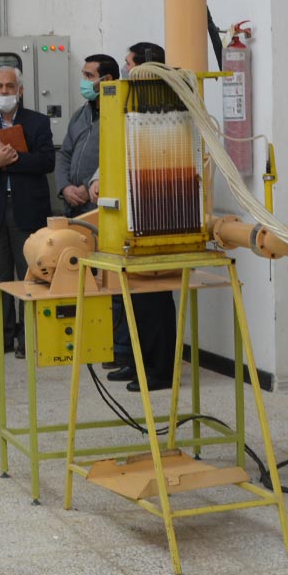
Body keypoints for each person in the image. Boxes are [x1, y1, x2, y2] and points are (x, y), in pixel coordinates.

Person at [103, 41, 179, 391]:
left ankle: (159, 371)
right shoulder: (129, 102)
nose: (125, 70)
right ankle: (137, 364)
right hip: (132, 212)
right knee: (133, 299)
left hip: (157, 213)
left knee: (154, 301)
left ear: (146, 67)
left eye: (128, 64)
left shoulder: (167, 103)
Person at [0, 64, 55, 358]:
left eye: (10, 86)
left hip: (28, 209)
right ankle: (2, 337)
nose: (4, 91)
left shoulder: (38, 122)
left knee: (30, 275)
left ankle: (27, 338)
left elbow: (47, 162)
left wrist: (13, 158)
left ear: (20, 90)